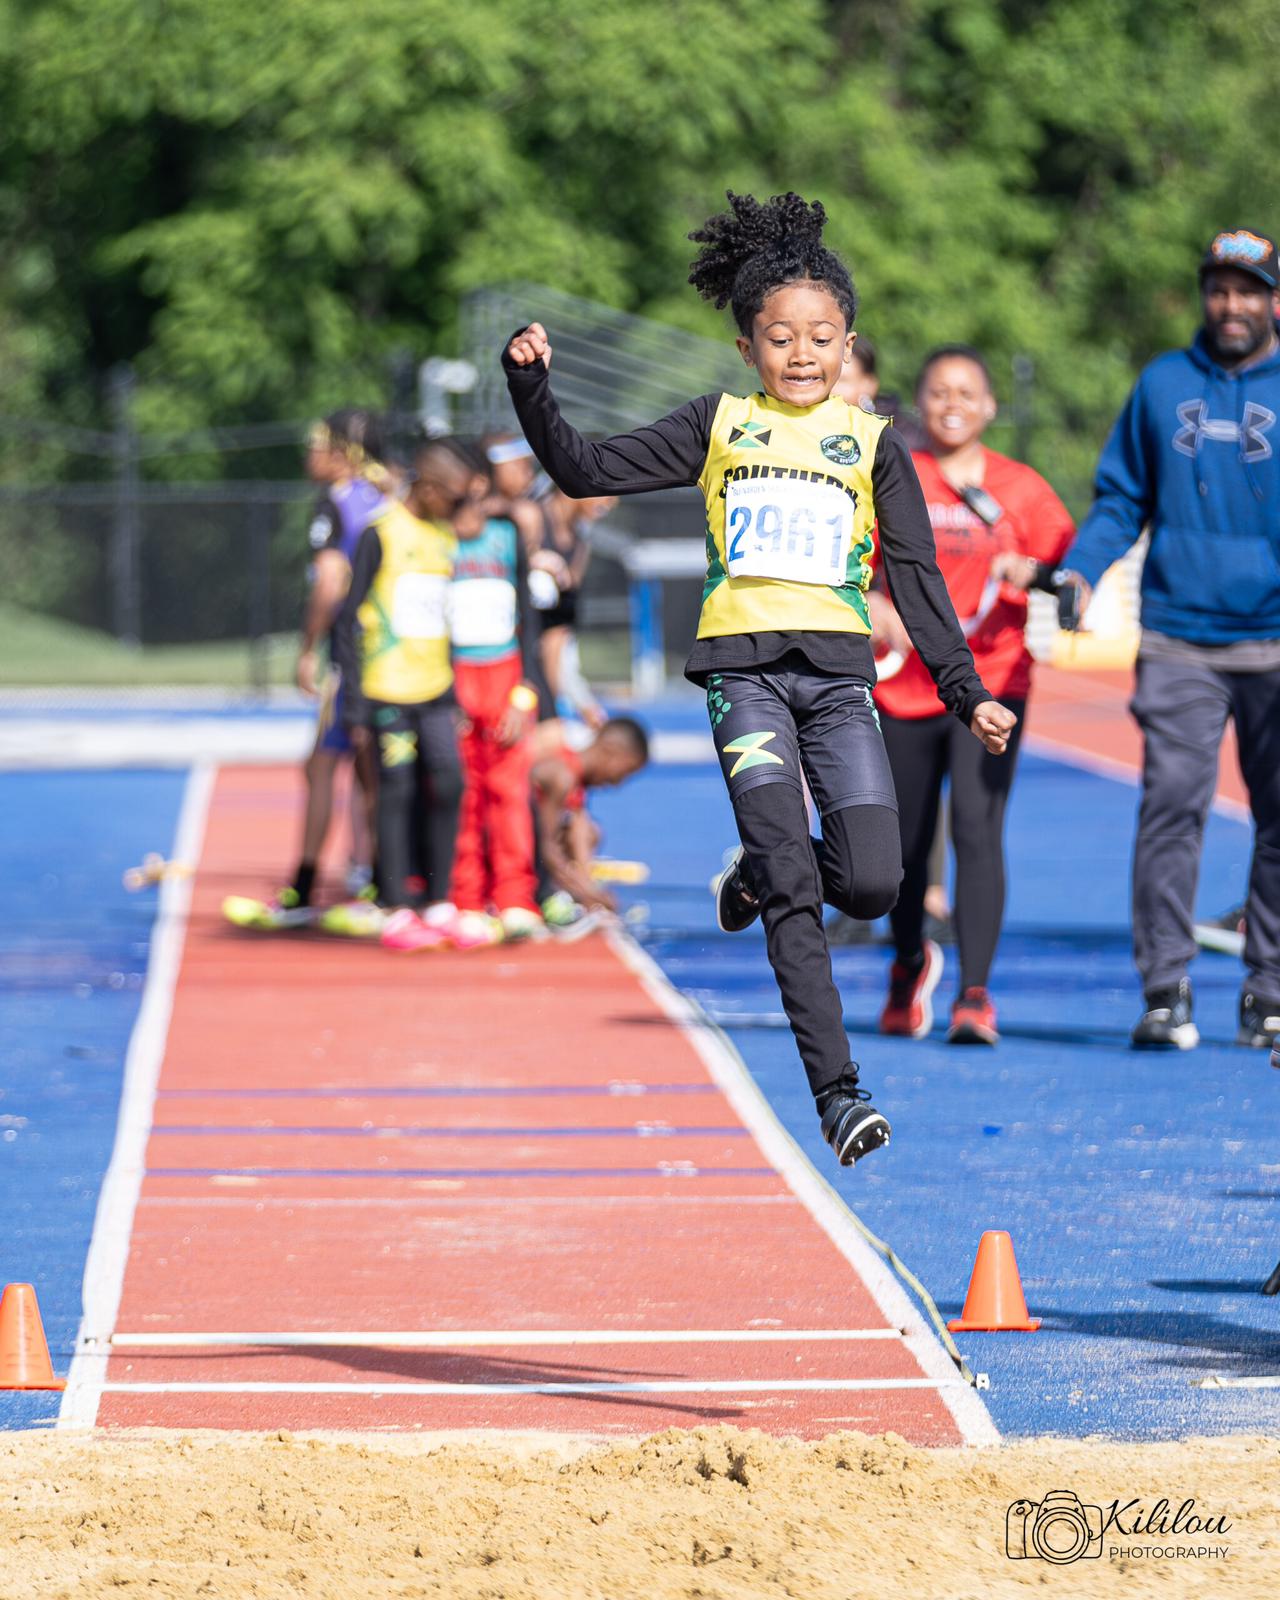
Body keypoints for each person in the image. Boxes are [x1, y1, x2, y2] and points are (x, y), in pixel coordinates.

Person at [503, 191, 1013, 1167]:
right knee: (793, 884)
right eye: (779, 336)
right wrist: (531, 387)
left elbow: (915, 579)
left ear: (847, 343)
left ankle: (762, 871)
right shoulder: (719, 424)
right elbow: (578, 467)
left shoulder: (870, 446)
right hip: (742, 680)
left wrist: (965, 689)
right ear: (746, 346)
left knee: (870, 879)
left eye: (820, 336)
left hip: (834, 684)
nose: (800, 353)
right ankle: (835, 1090)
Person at [1064, 229, 1280, 1051]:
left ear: (1273, 300)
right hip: (1180, 640)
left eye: (1248, 290)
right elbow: (1120, 498)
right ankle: (1165, 988)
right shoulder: (1161, 384)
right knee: (1171, 810)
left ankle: (1269, 989)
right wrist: (1084, 570)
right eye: (1219, 289)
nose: (1231, 305)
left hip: (1275, 640)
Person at [871, 346, 1075, 1044]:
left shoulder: (1021, 488)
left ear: (990, 406)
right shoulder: (892, 469)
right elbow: (858, 563)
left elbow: (1068, 564)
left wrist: (1038, 571)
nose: (951, 403)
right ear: (919, 403)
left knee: (976, 830)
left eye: (966, 392)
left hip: (993, 683)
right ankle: (906, 963)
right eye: (937, 392)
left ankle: (974, 994)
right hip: (904, 685)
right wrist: (874, 604)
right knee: (902, 844)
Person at [222, 410, 388, 934]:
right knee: (373, 771)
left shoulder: (335, 502)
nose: (307, 455)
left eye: (316, 445)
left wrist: (307, 647)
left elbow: (331, 580)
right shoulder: (390, 495)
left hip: (354, 651)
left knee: (322, 766)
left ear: (343, 451)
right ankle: (377, 878)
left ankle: (307, 886)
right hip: (397, 650)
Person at [331, 438, 487, 953]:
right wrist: (352, 701)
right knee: (394, 790)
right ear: (430, 487)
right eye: (456, 498)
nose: (461, 508)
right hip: (386, 692)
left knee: (450, 782)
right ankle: (395, 905)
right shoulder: (381, 533)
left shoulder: (443, 535)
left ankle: (438, 900)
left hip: (436, 691)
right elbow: (347, 616)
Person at [447, 449, 546, 942]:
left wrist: (524, 692)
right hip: (454, 678)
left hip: (505, 676)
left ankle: (514, 897)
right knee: (464, 794)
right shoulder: (435, 543)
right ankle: (464, 898)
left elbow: (529, 618)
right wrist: (444, 696)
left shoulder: (507, 538)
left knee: (509, 794)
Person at [530, 717, 650, 920]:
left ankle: (551, 892)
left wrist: (589, 888)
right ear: (610, 751)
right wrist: (587, 895)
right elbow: (546, 848)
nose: (617, 783)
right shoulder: (562, 776)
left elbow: (581, 833)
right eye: (625, 771)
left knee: (590, 832)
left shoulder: (576, 780)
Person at [528, 487, 615, 727]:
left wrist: (583, 704)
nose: (612, 502)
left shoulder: (580, 545)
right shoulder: (531, 517)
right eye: (606, 491)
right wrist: (533, 563)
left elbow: (561, 635)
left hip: (549, 674)